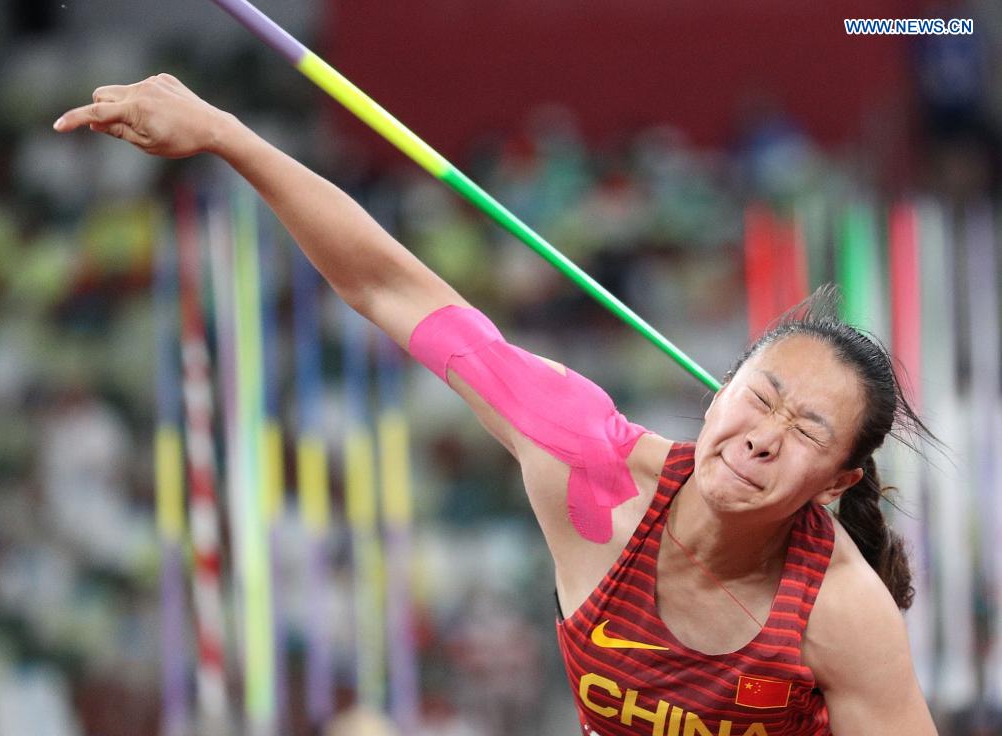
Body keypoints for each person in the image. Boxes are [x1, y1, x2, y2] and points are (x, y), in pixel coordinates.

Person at [54, 75, 939, 735]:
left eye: (806, 432)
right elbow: (387, 289)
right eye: (761, 399)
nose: (762, 439)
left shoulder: (839, 615)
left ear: (835, 480)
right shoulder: (585, 458)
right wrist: (225, 135)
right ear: (716, 397)